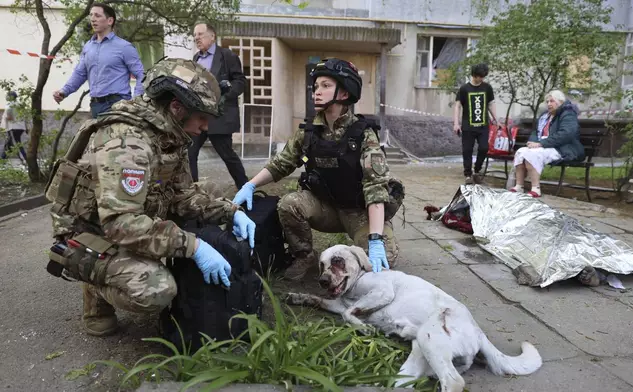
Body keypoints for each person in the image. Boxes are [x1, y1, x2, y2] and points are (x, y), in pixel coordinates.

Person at [45, 58, 256, 336]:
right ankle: (94, 285)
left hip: (131, 219)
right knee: (156, 289)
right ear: (177, 107)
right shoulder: (128, 144)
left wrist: (230, 211)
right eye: (202, 116)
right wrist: (193, 247)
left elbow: (181, 195)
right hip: (92, 235)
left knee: (212, 193)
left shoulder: (169, 133)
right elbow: (120, 224)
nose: (206, 126)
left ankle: (128, 266)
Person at [232, 58, 404, 280]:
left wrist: (375, 239)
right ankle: (304, 255)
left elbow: (375, 189)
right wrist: (250, 185)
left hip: (358, 211)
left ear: (343, 94)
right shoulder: (309, 132)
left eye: (325, 86)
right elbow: (280, 164)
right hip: (325, 208)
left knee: (385, 258)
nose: (317, 92)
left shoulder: (363, 135)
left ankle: (373, 239)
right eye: (316, 86)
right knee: (289, 204)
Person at [53, 3, 145, 118]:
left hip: (118, 105)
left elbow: (141, 75)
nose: (92, 19)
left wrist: (136, 101)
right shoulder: (88, 47)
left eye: (97, 15)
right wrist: (64, 91)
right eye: (91, 15)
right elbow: (80, 73)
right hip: (95, 105)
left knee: (112, 137)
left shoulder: (124, 47)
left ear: (110, 21)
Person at [188, 23, 248, 189]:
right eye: (194, 35)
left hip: (219, 117)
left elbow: (240, 82)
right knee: (189, 153)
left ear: (212, 36)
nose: (196, 38)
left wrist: (224, 96)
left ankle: (246, 189)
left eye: (200, 34)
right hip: (198, 117)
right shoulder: (195, 59)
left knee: (227, 155)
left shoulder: (227, 56)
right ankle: (192, 193)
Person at [509, 90, 584, 198]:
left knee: (533, 154)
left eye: (552, 101)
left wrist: (541, 143)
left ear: (560, 102)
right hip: (545, 145)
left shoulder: (568, 114)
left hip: (562, 148)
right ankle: (519, 186)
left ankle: (535, 189)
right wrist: (533, 142)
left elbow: (566, 134)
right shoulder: (545, 115)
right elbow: (536, 132)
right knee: (521, 152)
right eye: (547, 101)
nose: (549, 104)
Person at [453, 63, 497, 184]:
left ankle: (477, 170)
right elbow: (457, 106)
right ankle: (468, 174)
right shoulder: (464, 89)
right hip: (468, 126)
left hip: (483, 126)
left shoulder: (487, 88)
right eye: (479, 76)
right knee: (467, 150)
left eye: (483, 77)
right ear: (474, 75)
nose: (481, 79)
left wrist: (495, 119)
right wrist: (456, 123)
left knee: (484, 148)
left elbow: (490, 104)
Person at [1, 91, 27, 161]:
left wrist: (4, 118)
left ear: (10, 97)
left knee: (17, 144)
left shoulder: (9, 105)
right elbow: (24, 117)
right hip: (21, 127)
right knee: (9, 143)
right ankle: (2, 158)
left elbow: (10, 118)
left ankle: (25, 159)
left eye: (7, 95)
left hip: (13, 127)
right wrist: (26, 128)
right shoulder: (20, 105)